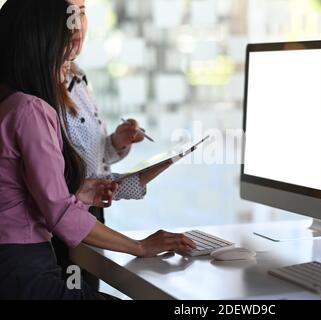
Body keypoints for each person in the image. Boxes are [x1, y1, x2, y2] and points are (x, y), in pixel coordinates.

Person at [0, 0, 195, 300]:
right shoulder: (31, 109)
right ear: (40, 44)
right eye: (64, 54)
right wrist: (140, 246)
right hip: (25, 270)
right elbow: (59, 214)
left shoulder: (12, 102)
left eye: (82, 12)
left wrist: (77, 194)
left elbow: (18, 193)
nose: (69, 62)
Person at [52, 0, 173, 288]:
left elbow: (83, 155)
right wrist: (139, 245)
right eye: (69, 13)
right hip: (60, 229)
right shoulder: (36, 92)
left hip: (89, 215)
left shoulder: (75, 75)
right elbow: (55, 185)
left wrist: (115, 144)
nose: (77, 24)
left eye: (82, 12)